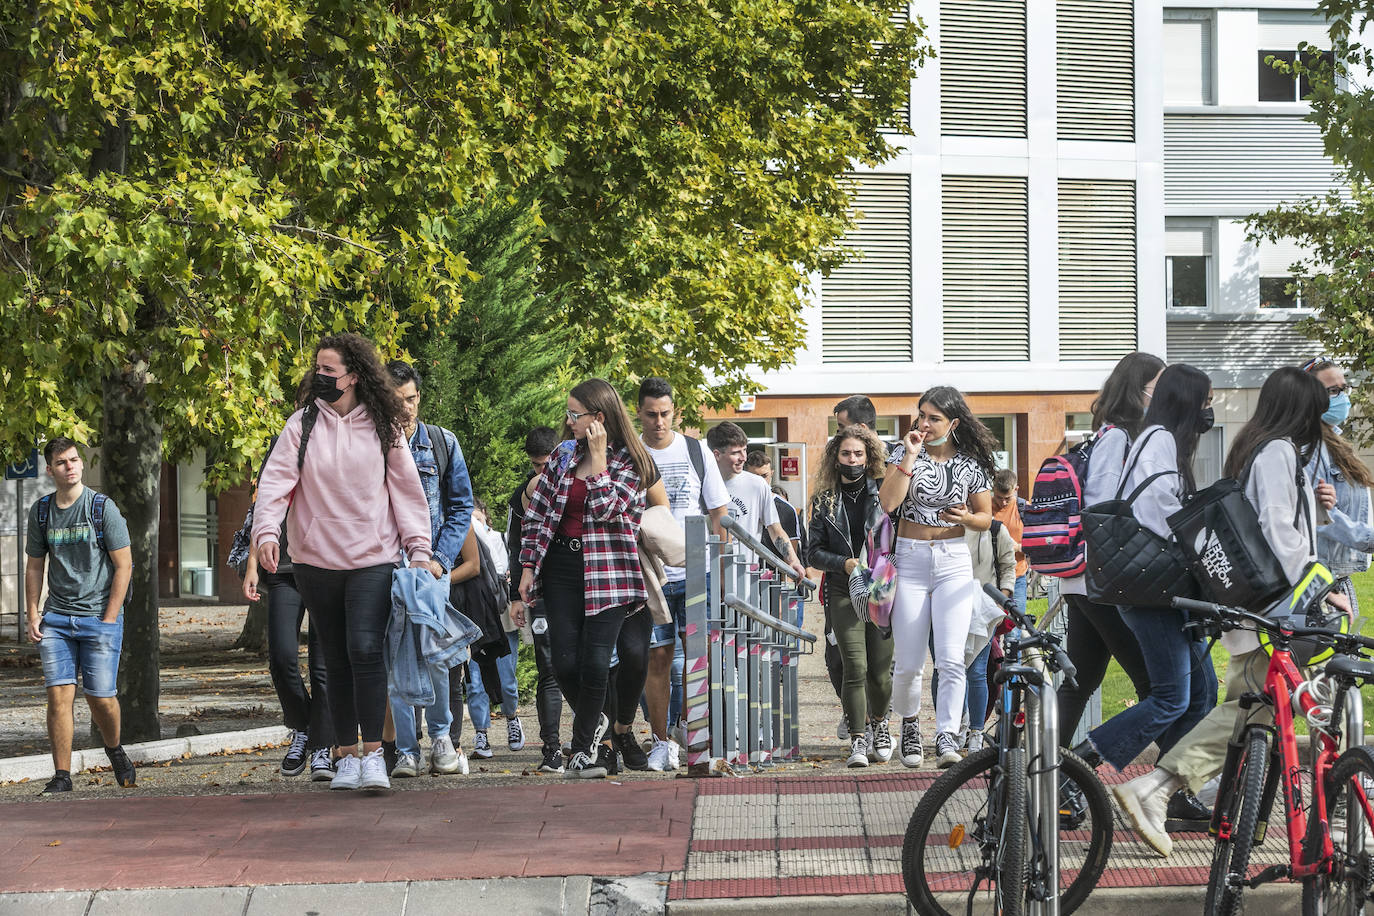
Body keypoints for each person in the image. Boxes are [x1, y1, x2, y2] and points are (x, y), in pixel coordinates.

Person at [1112, 367, 1345, 857]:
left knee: (1250, 715)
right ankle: (1157, 787)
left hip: (1254, 612)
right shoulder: (1279, 451)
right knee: (1247, 714)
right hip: (1276, 613)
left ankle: (1215, 802)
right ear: (1302, 411)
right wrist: (1321, 587)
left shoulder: (1254, 446)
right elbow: (1280, 533)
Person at [253, 334, 433, 792]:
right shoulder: (302, 425)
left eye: (328, 371)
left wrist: (418, 549)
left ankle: (374, 753)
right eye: (317, 369)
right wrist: (266, 532)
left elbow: (407, 492)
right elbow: (275, 484)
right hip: (315, 561)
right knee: (332, 657)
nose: (320, 377)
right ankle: (345, 755)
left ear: (353, 376)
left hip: (373, 558)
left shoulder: (383, 426)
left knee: (365, 650)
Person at [1072, 364, 1219, 793]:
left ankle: (1174, 790)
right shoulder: (1159, 440)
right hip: (1152, 589)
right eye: (1205, 402)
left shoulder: (1162, 440)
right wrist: (1193, 531)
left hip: (1163, 589)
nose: (1208, 412)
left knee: (1203, 691)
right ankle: (1080, 765)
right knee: (1172, 697)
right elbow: (1155, 506)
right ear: (1187, 401)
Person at [515, 378, 654, 778]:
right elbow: (538, 514)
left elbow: (612, 510)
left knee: (596, 663)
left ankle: (582, 752)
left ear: (599, 417)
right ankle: (595, 726)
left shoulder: (632, 460)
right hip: (561, 567)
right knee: (563, 662)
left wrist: (597, 462)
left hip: (609, 569)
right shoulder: (561, 455)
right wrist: (527, 568)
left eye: (575, 414)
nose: (568, 420)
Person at [878, 387, 996, 769]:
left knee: (950, 658)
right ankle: (909, 724)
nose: (924, 424)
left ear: (953, 423)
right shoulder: (903, 453)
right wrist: (910, 455)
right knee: (909, 662)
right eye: (921, 415)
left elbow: (985, 517)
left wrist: (966, 519)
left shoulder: (970, 463)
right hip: (910, 560)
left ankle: (947, 733)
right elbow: (888, 503)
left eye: (934, 418)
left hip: (953, 561)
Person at [24, 438, 136, 795]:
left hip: (98, 617)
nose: (70, 466)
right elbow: (34, 565)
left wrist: (109, 617)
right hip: (57, 619)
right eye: (61, 462)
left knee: (100, 697)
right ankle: (62, 776)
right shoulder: (41, 512)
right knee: (58, 696)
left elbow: (124, 565)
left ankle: (114, 749)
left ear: (81, 464)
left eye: (74, 460)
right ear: (50, 470)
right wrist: (32, 612)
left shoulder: (102, 508)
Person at [383, 360, 474, 779]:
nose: (406, 409)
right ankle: (406, 749)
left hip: (429, 570)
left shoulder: (442, 442)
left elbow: (460, 507)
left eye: (412, 399)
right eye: (397, 401)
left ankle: (440, 737)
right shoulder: (371, 442)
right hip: (386, 567)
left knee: (436, 656)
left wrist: (439, 560)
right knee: (396, 657)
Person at [636, 378, 728, 772]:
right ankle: (659, 741)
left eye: (665, 413)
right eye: (651, 414)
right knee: (656, 658)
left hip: (695, 570)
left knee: (697, 657)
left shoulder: (696, 450)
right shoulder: (630, 453)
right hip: (650, 573)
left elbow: (718, 513)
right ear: (638, 412)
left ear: (675, 412)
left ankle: (697, 736)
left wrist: (720, 570)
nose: (659, 421)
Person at [242, 416, 335, 782]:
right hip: (283, 570)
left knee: (324, 667)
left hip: (327, 567)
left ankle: (323, 748)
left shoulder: (338, 447)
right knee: (281, 657)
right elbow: (261, 508)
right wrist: (252, 564)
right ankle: (303, 727)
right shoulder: (281, 447)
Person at [805, 425, 894, 768]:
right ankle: (858, 737)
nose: (852, 460)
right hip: (843, 586)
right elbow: (813, 553)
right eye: (845, 454)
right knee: (854, 665)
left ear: (869, 456)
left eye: (858, 453)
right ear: (835, 458)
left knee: (880, 670)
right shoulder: (825, 500)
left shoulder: (885, 494)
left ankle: (881, 723)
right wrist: (843, 563)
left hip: (881, 585)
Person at [506, 427, 565, 773]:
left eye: (548, 465)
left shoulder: (576, 484)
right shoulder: (523, 497)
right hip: (540, 591)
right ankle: (552, 749)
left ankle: (595, 743)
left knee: (590, 666)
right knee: (549, 668)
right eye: (536, 466)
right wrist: (517, 597)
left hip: (580, 589)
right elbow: (515, 546)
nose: (544, 473)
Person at [1302, 358, 1373, 613]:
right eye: (1333, 391)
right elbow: (1320, 518)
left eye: (1344, 388)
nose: (1342, 397)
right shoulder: (1308, 448)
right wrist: (1368, 538)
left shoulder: (1333, 440)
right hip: (1319, 583)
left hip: (1337, 580)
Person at [707, 421, 807, 578]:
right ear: (717, 454)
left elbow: (775, 529)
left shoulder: (757, 485)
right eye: (736, 453)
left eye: (745, 450)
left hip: (744, 578)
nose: (743, 458)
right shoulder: (702, 483)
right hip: (707, 576)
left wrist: (793, 560)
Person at [960, 512, 1016, 753]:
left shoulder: (995, 530)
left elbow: (1008, 565)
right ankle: (954, 727)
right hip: (950, 604)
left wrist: (1001, 599)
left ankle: (975, 729)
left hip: (984, 609)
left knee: (977, 671)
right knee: (950, 670)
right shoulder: (945, 526)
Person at [473, 497, 524, 752]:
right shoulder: (464, 541)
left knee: (507, 677)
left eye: (476, 515)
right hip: (474, 614)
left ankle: (512, 718)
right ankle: (481, 732)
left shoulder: (502, 539)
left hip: (502, 613)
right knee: (475, 680)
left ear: (484, 512)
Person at [989, 470, 1027, 613]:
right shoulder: (983, 508)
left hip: (1017, 576)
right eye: (999, 497)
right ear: (993, 489)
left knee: (1014, 629)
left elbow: (1038, 545)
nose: (1003, 503)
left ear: (1016, 489)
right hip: (988, 578)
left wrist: (1017, 547)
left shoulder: (1024, 509)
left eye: (1008, 498)